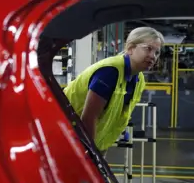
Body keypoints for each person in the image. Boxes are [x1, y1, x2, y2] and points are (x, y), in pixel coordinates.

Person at [64, 27, 164, 157]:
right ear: (130, 48)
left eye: (156, 52)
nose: (153, 56)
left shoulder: (139, 80)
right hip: (69, 138)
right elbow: (89, 117)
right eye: (148, 49)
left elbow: (118, 112)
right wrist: (90, 152)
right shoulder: (110, 72)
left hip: (93, 142)